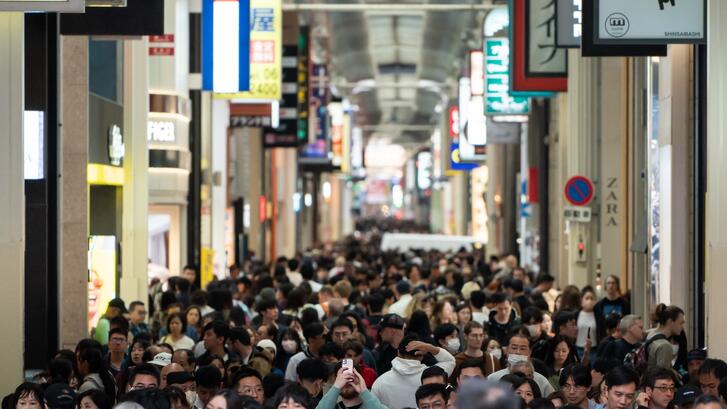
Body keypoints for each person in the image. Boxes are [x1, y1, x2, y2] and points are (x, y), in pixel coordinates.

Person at [371, 334, 456, 409]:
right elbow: (450, 361)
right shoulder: (433, 376)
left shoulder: (380, 382)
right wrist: (430, 348)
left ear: (398, 353)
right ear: (422, 355)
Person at [488, 333, 555, 397]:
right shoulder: (493, 378)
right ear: (507, 350)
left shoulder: (541, 381)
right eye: (514, 348)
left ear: (530, 352)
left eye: (522, 349)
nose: (518, 352)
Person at [315, 364, 388, 409]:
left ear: (360, 378)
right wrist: (336, 388)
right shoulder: (331, 406)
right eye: (342, 377)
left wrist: (364, 392)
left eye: (351, 376)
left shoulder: (371, 404)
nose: (347, 381)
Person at [647, 304, 685, 370]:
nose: (682, 327)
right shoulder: (665, 346)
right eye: (680, 323)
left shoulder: (651, 334)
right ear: (670, 322)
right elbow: (663, 375)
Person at [593, 276, 630, 342]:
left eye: (613, 283)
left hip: (620, 339)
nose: (611, 285)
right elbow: (598, 326)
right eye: (608, 283)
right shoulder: (599, 305)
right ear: (605, 286)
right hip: (604, 339)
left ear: (617, 285)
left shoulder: (625, 304)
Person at [576, 287, 598, 359]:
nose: (589, 301)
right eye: (587, 298)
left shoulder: (598, 316)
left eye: (592, 298)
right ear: (582, 300)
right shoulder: (576, 314)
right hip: (578, 348)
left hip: (593, 350)